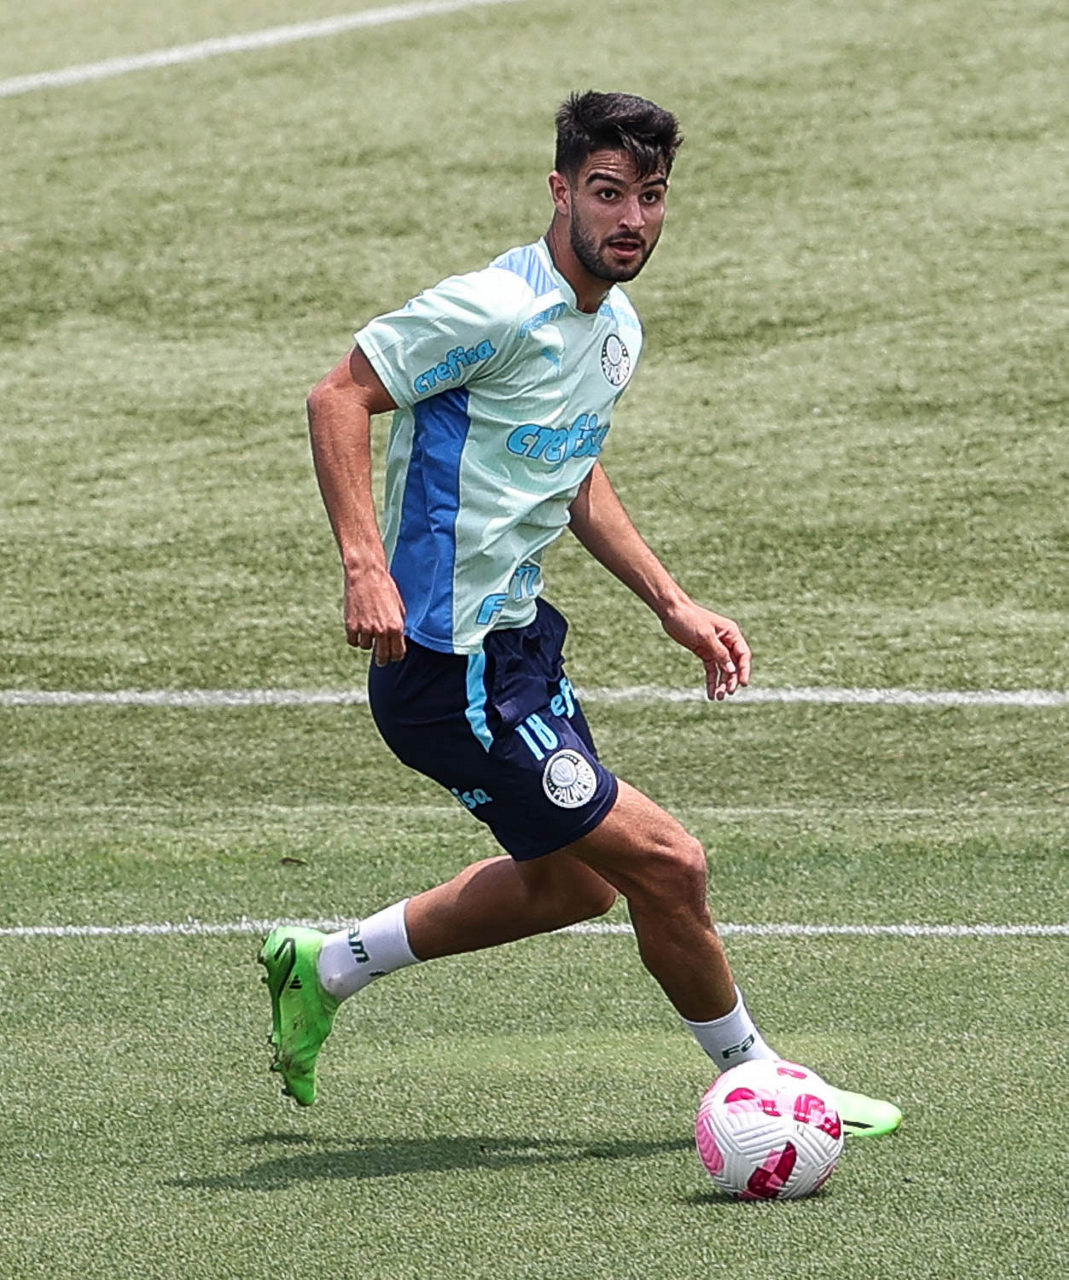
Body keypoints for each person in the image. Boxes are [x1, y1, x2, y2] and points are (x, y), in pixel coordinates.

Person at [259, 90, 901, 1138]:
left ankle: (324, 966)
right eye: (608, 193)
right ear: (560, 191)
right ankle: (768, 1084)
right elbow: (338, 396)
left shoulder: (614, 328)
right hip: (446, 667)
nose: (631, 219)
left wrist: (671, 602)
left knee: (573, 888)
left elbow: (571, 468)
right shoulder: (490, 307)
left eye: (651, 196)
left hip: (517, 646)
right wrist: (363, 566)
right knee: (670, 863)